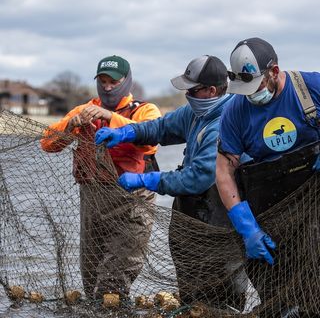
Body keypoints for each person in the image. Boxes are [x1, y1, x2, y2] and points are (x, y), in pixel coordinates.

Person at [95, 55, 258, 311]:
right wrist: (126, 132)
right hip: (192, 214)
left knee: (221, 300)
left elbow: (197, 177)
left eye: (192, 90)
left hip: (220, 216)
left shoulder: (225, 122)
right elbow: (161, 127)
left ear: (211, 91)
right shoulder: (196, 111)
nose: (187, 95)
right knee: (191, 299)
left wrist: (146, 179)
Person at [40, 55, 162, 300]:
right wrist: (68, 127)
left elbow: (151, 143)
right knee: (91, 279)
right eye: (103, 81)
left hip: (132, 203)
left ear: (127, 82)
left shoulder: (145, 110)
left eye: (113, 82)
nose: (107, 87)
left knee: (112, 285)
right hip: (93, 202)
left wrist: (109, 118)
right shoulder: (83, 110)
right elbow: (47, 144)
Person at [215, 37, 320, 314]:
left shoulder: (310, 88)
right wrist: (245, 226)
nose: (251, 95)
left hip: (315, 197)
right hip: (270, 205)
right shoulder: (235, 112)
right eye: (244, 89)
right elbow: (224, 170)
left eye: (256, 86)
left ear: (273, 71)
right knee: (276, 289)